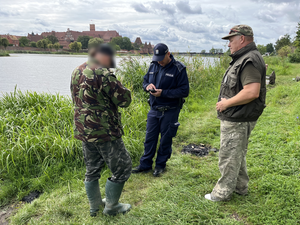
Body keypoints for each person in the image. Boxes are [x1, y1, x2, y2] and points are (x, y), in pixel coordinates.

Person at [205, 25, 266, 201]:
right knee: (237, 152)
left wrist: (226, 103)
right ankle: (240, 187)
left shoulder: (249, 59)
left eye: (231, 40)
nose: (229, 44)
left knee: (229, 155)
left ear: (242, 38)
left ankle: (222, 193)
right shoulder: (245, 57)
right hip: (239, 115)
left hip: (238, 116)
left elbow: (252, 91)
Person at [70, 44, 132, 216]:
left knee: (92, 168)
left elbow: (76, 98)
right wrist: (126, 90)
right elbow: (124, 100)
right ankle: (112, 207)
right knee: (122, 167)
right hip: (104, 131)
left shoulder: (76, 71)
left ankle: (95, 206)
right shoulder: (103, 73)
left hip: (84, 130)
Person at [132, 43, 189, 177]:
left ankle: (160, 165)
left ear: (168, 54)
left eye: (161, 58)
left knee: (165, 139)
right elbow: (145, 81)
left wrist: (163, 93)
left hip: (170, 110)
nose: (159, 61)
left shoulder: (179, 69)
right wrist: (147, 86)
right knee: (149, 138)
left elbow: (184, 91)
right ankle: (145, 165)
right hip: (154, 109)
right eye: (157, 58)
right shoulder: (153, 65)